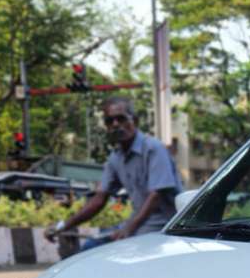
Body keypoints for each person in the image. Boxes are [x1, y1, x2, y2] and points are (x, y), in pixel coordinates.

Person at [45, 96, 181, 248]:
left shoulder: (153, 149)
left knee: (120, 252)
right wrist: (63, 226)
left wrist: (129, 228)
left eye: (121, 119)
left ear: (134, 121)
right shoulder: (115, 159)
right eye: (110, 121)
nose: (116, 124)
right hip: (139, 224)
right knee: (90, 247)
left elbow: (156, 194)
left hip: (163, 225)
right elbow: (99, 199)